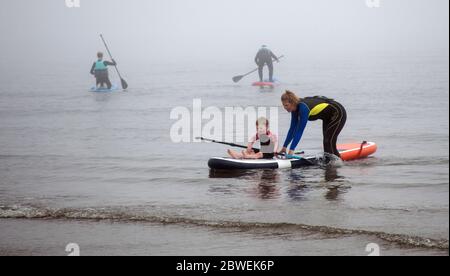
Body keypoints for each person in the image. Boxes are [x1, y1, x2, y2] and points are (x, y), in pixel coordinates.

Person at [279, 90, 347, 159]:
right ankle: (330, 165)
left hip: (338, 112)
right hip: (327, 117)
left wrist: (291, 150)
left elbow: (299, 131)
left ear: (293, 102)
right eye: (283, 105)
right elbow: (292, 129)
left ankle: (337, 163)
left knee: (328, 141)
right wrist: (284, 147)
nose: (285, 108)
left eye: (286, 105)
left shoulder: (303, 108)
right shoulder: (294, 110)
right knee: (327, 142)